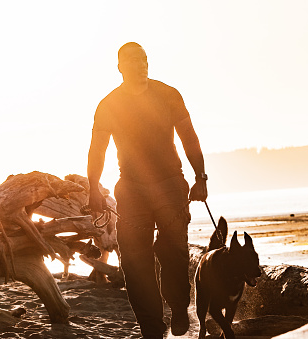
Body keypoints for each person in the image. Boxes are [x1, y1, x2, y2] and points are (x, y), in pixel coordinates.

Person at [87, 42, 208, 338]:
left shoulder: (168, 94)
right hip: (131, 188)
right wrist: (93, 188)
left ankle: (179, 306)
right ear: (119, 66)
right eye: (131, 60)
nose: (139, 64)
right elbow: (98, 149)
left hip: (170, 184)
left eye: (143, 59)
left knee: (174, 250)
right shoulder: (109, 104)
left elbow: (189, 136)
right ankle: (152, 330)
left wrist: (200, 177)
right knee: (134, 262)